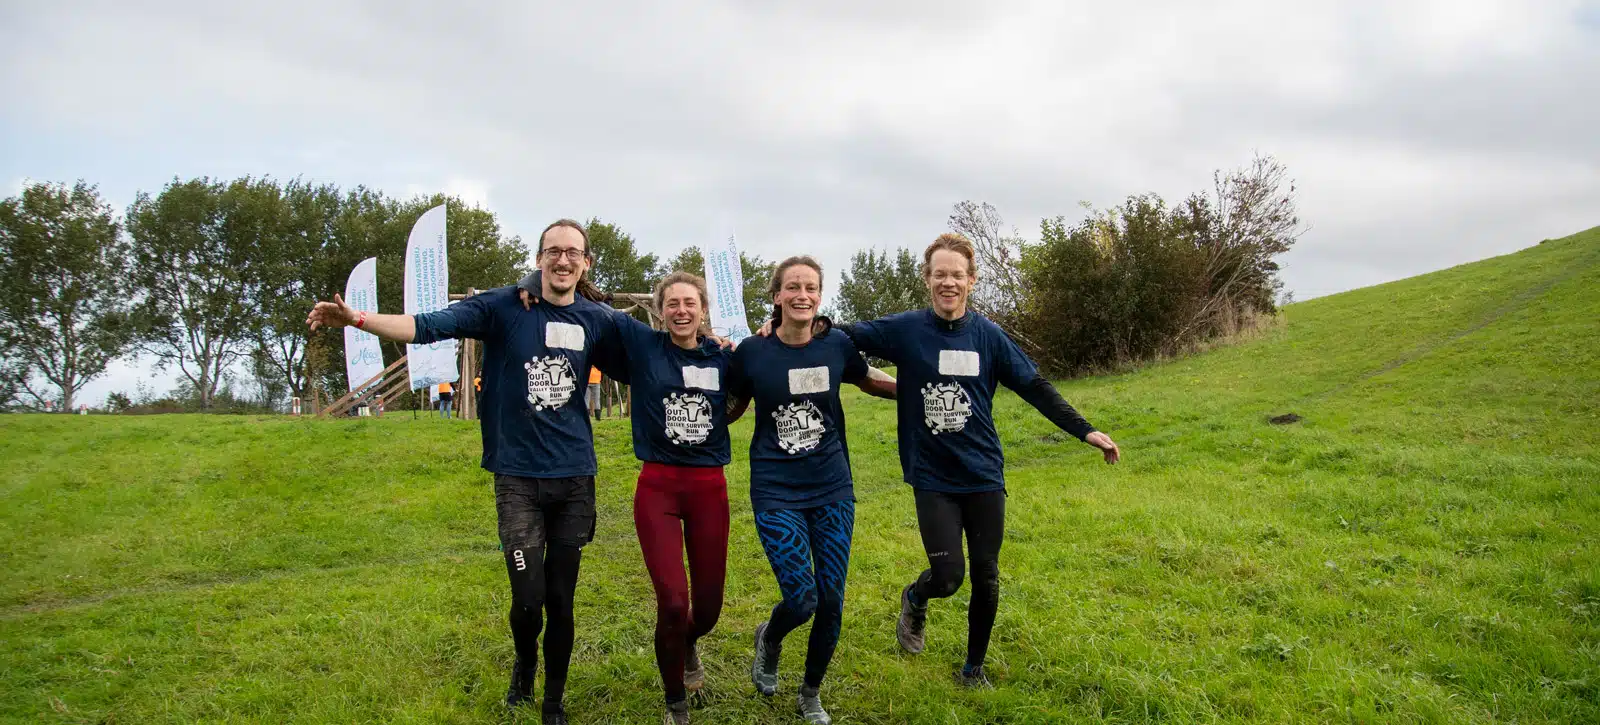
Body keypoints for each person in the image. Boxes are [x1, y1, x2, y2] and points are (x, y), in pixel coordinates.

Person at [307, 219, 628, 725]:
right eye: (553, 251)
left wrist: (718, 346)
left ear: (586, 262)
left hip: (574, 479)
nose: (563, 260)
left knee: (561, 602)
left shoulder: (598, 319)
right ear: (539, 258)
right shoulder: (503, 306)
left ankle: (553, 702)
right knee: (529, 601)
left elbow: (658, 352)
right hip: (517, 478)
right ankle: (525, 664)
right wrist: (358, 319)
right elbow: (426, 326)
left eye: (573, 252)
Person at [791, 233, 1121, 688]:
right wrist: (791, 325)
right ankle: (916, 596)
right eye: (940, 274)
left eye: (958, 275)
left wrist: (1084, 430)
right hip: (932, 476)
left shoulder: (988, 336)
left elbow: (1034, 386)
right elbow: (844, 332)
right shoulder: (906, 330)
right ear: (927, 279)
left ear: (972, 280)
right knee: (948, 577)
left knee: (986, 576)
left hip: (982, 472)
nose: (949, 282)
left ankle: (973, 669)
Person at [728, 256, 896, 725]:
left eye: (811, 288)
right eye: (793, 287)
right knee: (802, 598)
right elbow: (733, 404)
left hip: (831, 486)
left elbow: (868, 379)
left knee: (832, 598)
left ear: (819, 296)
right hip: (775, 488)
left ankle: (811, 692)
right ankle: (770, 636)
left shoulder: (836, 344)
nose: (802, 295)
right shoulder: (753, 351)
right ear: (776, 295)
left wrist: (920, 388)